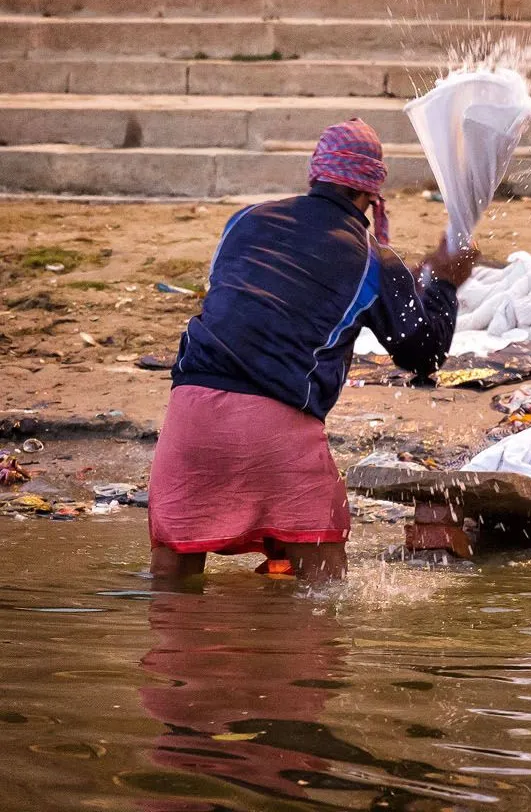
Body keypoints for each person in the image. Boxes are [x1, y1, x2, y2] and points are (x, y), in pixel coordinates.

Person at [148, 118, 476, 583]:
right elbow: (423, 355)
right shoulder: (373, 258)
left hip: (189, 414)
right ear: (372, 192)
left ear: (315, 175)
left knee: (171, 584)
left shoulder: (244, 221)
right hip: (276, 423)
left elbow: (243, 305)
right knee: (323, 593)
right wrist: (443, 282)